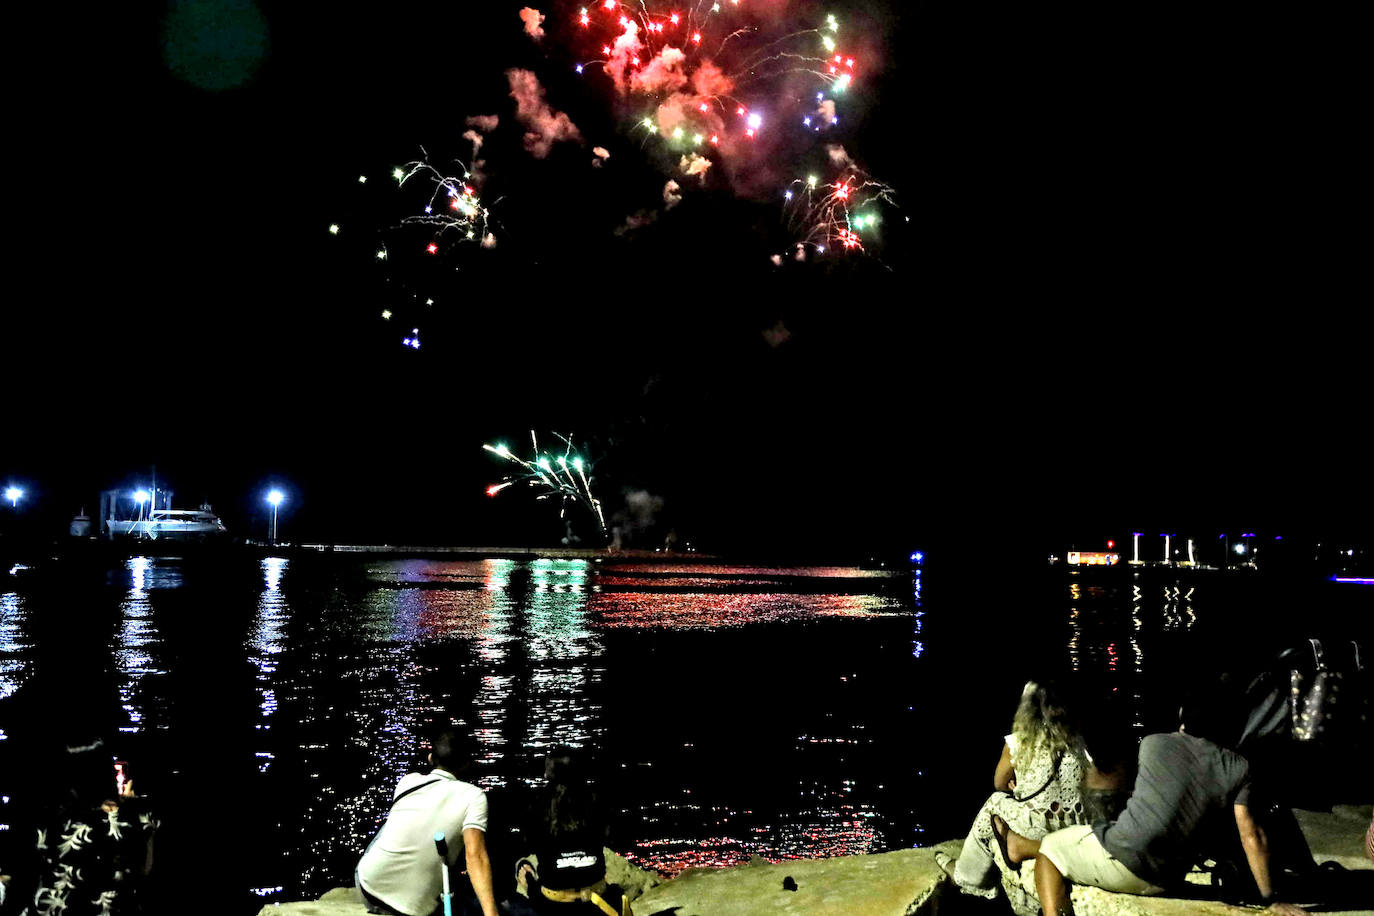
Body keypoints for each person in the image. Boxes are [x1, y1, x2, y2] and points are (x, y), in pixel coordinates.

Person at [1032, 702, 1311, 916]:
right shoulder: (1240, 767)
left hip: (1128, 863)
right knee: (1099, 833)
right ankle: (1019, 845)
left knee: (1050, 848)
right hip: (1168, 877)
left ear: (1182, 717)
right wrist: (1271, 899)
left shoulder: (1154, 743)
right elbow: (1252, 835)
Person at [934, 680, 1088, 909]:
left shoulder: (1017, 743)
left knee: (994, 803)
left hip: (1037, 828)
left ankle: (966, 875)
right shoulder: (1081, 740)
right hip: (1076, 827)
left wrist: (1018, 785)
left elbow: (999, 783)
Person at [4, 737, 158, 916]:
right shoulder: (138, 818)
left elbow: (20, 881)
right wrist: (129, 808)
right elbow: (145, 870)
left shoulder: (44, 820)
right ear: (106, 772)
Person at [356, 728, 500, 916]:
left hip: (368, 888)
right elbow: (475, 856)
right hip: (415, 910)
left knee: (391, 824)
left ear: (431, 758)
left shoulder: (407, 782)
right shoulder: (474, 796)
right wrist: (491, 912)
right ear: (466, 764)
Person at [513, 748, 633, 916]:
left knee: (523, 875)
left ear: (547, 774)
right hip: (597, 900)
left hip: (552, 904)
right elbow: (613, 837)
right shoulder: (596, 801)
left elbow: (528, 844)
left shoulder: (536, 806)